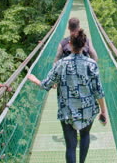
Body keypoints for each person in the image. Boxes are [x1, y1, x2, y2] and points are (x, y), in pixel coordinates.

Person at [27, 29, 107, 163]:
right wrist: (103, 111)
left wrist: (34, 79)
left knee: (70, 146)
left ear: (69, 44)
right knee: (85, 135)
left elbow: (47, 84)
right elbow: (98, 90)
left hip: (67, 111)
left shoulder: (61, 64)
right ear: (84, 45)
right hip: (88, 110)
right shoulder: (92, 64)